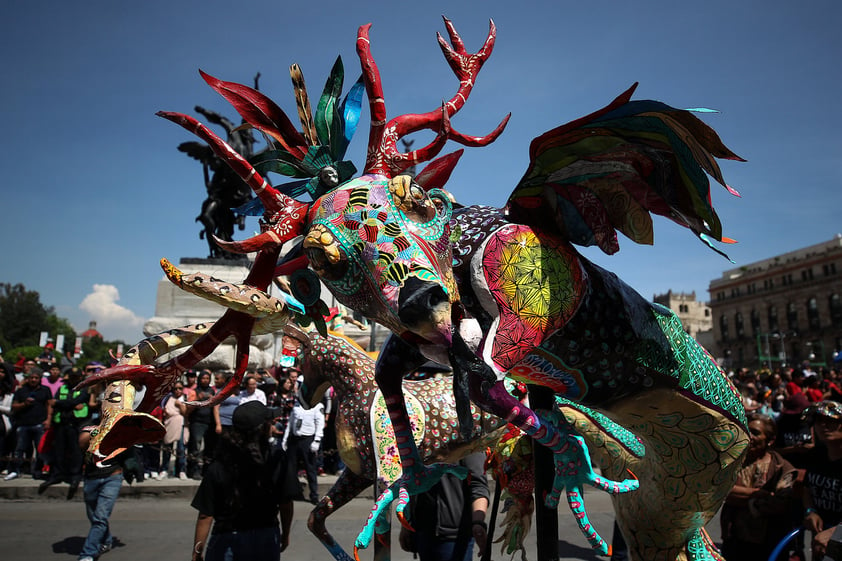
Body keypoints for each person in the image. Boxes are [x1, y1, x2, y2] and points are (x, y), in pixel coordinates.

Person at [190, 401, 293, 561]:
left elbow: (205, 515)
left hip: (226, 537)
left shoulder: (220, 463)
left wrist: (197, 551)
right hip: (265, 536)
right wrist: (285, 534)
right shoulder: (275, 460)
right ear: (263, 429)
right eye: (269, 423)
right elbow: (286, 503)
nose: (272, 426)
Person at [720, 413, 800, 561]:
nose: (749, 436)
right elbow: (721, 491)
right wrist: (758, 493)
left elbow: (779, 504)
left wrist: (746, 501)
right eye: (747, 430)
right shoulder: (732, 462)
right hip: (734, 539)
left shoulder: (782, 468)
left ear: (770, 440)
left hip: (767, 543)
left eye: (756, 432)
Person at [398, 451, 489, 561]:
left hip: (453, 536)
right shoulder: (421, 438)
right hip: (423, 532)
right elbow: (413, 481)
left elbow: (478, 486)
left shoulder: (468, 438)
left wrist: (478, 523)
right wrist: (406, 523)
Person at [77, 425, 128, 561]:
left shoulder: (121, 427)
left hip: (113, 476)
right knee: (94, 516)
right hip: (91, 477)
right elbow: (82, 443)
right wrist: (103, 428)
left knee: (100, 517)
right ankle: (106, 539)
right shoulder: (90, 427)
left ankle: (88, 553)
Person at [39, 366, 89, 498]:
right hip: (61, 423)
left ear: (80, 378)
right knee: (59, 451)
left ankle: (74, 476)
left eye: (76, 377)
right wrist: (66, 404)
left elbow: (76, 401)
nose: (74, 379)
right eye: (72, 377)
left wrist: (60, 403)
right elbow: (53, 402)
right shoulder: (63, 388)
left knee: (75, 452)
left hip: (75, 424)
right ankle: (57, 474)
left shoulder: (84, 389)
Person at [801, 400, 842, 560]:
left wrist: (836, 531)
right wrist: (810, 511)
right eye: (819, 421)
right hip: (820, 539)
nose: (824, 425)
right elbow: (806, 488)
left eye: (831, 421)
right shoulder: (816, 455)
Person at [5, 370, 52, 480]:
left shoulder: (45, 390)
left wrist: (49, 419)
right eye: (31, 378)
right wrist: (24, 404)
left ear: (40, 379)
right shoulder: (21, 391)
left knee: (40, 449)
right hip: (23, 424)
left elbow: (49, 405)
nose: (33, 380)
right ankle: (16, 470)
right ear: (27, 379)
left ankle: (38, 471)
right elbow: (14, 406)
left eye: (36, 378)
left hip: (39, 424)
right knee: (19, 449)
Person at [281, 397, 324, 504]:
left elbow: (320, 423)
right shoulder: (296, 405)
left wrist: (317, 440)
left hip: (308, 439)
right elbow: (291, 422)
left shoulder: (317, 406)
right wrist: (285, 438)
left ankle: (314, 495)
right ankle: (293, 492)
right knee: (292, 468)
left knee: (310, 469)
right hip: (295, 440)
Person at [186, 371, 215, 479]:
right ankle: (194, 470)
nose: (205, 380)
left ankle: (206, 471)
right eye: (203, 378)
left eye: (207, 378)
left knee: (208, 448)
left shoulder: (212, 391)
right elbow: (188, 409)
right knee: (195, 447)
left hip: (209, 423)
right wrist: (197, 399)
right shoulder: (194, 391)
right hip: (197, 423)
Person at [161, 383, 189, 479]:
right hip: (170, 425)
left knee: (181, 448)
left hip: (181, 425)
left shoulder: (185, 398)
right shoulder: (168, 398)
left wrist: (180, 405)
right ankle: (164, 469)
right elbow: (164, 411)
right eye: (175, 388)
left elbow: (185, 413)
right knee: (167, 448)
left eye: (180, 388)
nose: (178, 390)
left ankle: (181, 470)